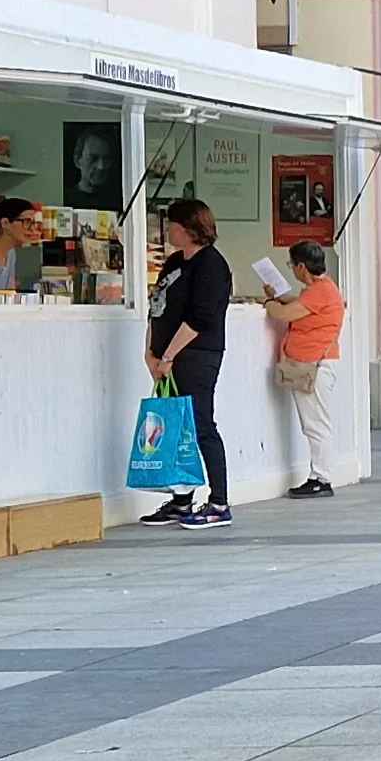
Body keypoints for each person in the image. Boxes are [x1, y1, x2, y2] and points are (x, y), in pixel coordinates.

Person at [141, 198, 235, 529]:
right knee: (176, 427)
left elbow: (201, 317)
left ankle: (219, 500)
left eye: (174, 226)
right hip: (167, 356)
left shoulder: (211, 265)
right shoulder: (174, 262)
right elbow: (157, 306)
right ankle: (182, 499)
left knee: (200, 423)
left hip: (197, 354)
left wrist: (169, 355)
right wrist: (151, 352)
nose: (169, 232)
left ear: (189, 229)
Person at [261, 240, 347, 498]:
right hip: (312, 364)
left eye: (291, 265)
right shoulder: (319, 289)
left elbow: (285, 314)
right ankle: (319, 475)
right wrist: (278, 297)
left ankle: (322, 477)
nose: (291, 270)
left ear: (301, 266)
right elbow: (299, 303)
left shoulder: (321, 290)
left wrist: (269, 304)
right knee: (315, 422)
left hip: (315, 366)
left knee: (316, 424)